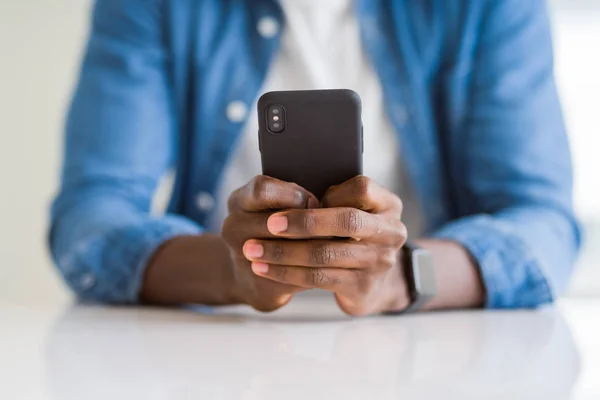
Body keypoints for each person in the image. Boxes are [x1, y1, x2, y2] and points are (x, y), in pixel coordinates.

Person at [49, 0, 581, 315]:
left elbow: (545, 223)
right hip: (219, 339)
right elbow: (91, 217)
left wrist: (401, 277)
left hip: (426, 341)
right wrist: (232, 270)